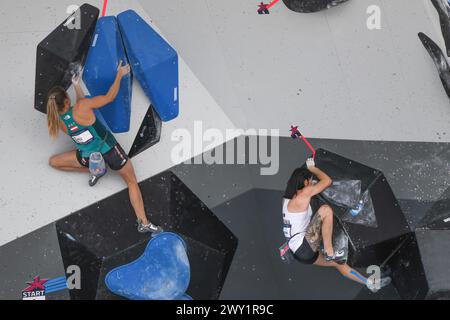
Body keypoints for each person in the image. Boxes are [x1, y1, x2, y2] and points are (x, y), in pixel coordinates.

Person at [46, 61, 162, 234]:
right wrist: (119, 75)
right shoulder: (82, 107)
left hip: (88, 157)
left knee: (53, 162)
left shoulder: (58, 122)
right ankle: (143, 222)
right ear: (67, 100)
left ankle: (96, 170)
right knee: (131, 182)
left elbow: (78, 109)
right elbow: (109, 97)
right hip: (110, 150)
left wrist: (77, 87)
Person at [282, 157, 391, 292]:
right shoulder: (304, 194)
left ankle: (369, 283)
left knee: (338, 263)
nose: (312, 183)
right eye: (310, 181)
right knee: (326, 210)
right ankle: (329, 250)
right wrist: (313, 169)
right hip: (303, 247)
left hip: (299, 254)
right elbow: (327, 181)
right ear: (305, 182)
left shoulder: (287, 200)